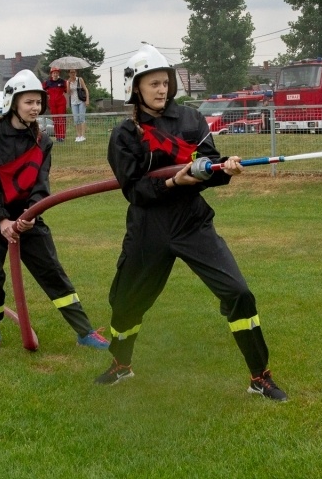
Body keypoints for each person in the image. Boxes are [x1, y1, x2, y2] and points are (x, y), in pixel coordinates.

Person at [95, 44, 288, 401]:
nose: (162, 89)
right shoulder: (124, 134)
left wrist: (224, 168)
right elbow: (134, 190)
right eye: (153, 83)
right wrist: (172, 181)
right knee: (124, 303)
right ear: (135, 88)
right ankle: (121, 364)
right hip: (148, 228)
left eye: (165, 82)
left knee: (239, 293)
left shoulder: (191, 120)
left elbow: (208, 165)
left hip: (192, 222)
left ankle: (259, 376)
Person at [0, 69, 109, 355]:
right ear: (13, 103)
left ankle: (84, 331)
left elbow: (41, 183)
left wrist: (30, 215)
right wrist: (2, 219)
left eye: (38, 102)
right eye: (29, 102)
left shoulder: (43, 141)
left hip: (27, 214)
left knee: (51, 270)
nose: (35, 108)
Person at [43, 67, 68, 142]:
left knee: (61, 119)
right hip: (52, 103)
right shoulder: (47, 83)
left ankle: (62, 136)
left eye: (57, 73)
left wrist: (68, 84)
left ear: (58, 74)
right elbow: (42, 90)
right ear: (51, 74)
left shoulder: (63, 82)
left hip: (61, 103)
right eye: (54, 73)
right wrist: (46, 95)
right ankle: (57, 136)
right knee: (55, 120)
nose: (55, 74)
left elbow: (67, 90)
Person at [68, 69, 89, 142]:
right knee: (76, 119)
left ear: (76, 73)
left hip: (81, 101)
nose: (73, 73)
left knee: (81, 118)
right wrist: (68, 83)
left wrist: (87, 100)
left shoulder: (79, 79)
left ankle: (83, 135)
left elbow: (86, 89)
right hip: (73, 102)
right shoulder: (68, 81)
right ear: (69, 74)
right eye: (71, 72)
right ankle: (78, 135)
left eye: (74, 72)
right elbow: (68, 93)